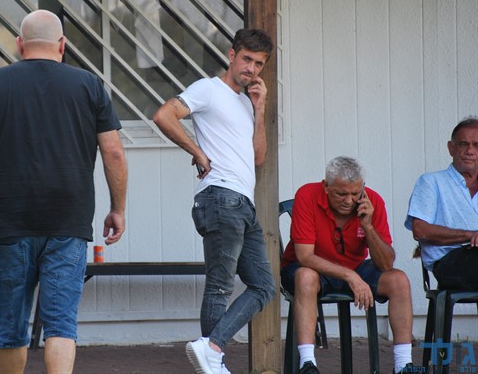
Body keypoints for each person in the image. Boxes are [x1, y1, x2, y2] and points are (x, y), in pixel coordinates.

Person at [0, 10, 127, 374]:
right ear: (62, 45)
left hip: (8, 220)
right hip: (68, 220)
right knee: (61, 323)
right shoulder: (89, 85)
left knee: (10, 322)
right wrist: (117, 208)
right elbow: (113, 151)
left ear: (20, 44)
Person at [153, 28, 276, 374]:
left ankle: (211, 350)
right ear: (231, 55)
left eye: (259, 64)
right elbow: (163, 115)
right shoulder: (208, 89)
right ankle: (212, 356)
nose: (251, 68)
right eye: (247, 59)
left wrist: (260, 108)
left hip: (243, 203)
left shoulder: (246, 102)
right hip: (221, 197)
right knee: (220, 286)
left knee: (265, 286)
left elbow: (259, 157)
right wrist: (197, 151)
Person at [280, 156, 415, 374]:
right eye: (341, 194)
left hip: (355, 266)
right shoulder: (307, 194)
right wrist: (350, 276)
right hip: (311, 268)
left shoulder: (373, 201)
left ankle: (403, 364)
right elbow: (305, 257)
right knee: (306, 276)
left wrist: (368, 226)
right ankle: (307, 363)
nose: (349, 201)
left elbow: (386, 264)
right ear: (326, 186)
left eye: (355, 193)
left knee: (398, 280)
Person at [405, 116, 478, 289]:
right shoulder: (431, 182)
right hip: (448, 263)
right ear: (451, 148)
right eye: (463, 144)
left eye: (476, 145)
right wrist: (472, 235)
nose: (470, 151)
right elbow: (420, 231)